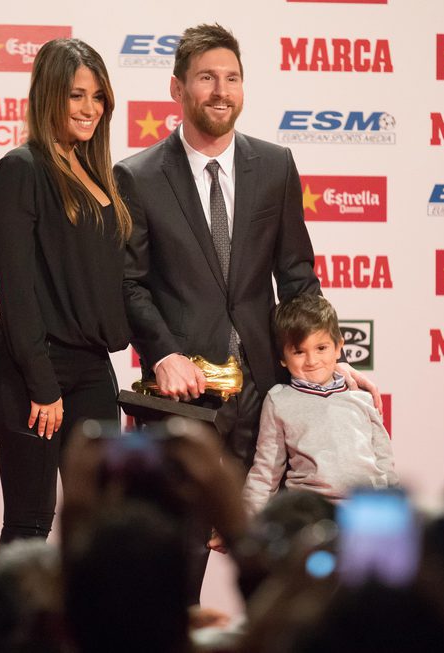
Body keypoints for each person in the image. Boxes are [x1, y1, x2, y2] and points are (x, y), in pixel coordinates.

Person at [114, 23, 379, 474]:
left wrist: (329, 358)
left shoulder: (275, 166)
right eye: (206, 77)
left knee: (264, 539)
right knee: (187, 540)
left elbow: (296, 276)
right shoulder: (138, 177)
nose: (221, 91)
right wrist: (162, 355)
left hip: (267, 390)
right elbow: (129, 283)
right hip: (184, 393)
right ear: (177, 87)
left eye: (232, 78)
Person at [0, 38, 132, 546]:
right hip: (31, 371)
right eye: (75, 96)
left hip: (91, 369)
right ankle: (12, 628)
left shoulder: (98, 173)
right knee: (30, 521)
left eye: (98, 96)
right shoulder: (21, 169)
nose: (90, 108)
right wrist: (43, 384)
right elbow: (16, 290)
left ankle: (90, 627)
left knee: (102, 525)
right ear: (48, 97)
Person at [241, 294, 397, 516]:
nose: (312, 361)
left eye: (321, 348)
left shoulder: (361, 397)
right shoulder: (279, 400)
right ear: (283, 358)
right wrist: (245, 523)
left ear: (339, 347)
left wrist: (394, 511)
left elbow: (385, 462)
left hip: (366, 511)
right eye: (299, 352)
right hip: (311, 513)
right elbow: (266, 472)